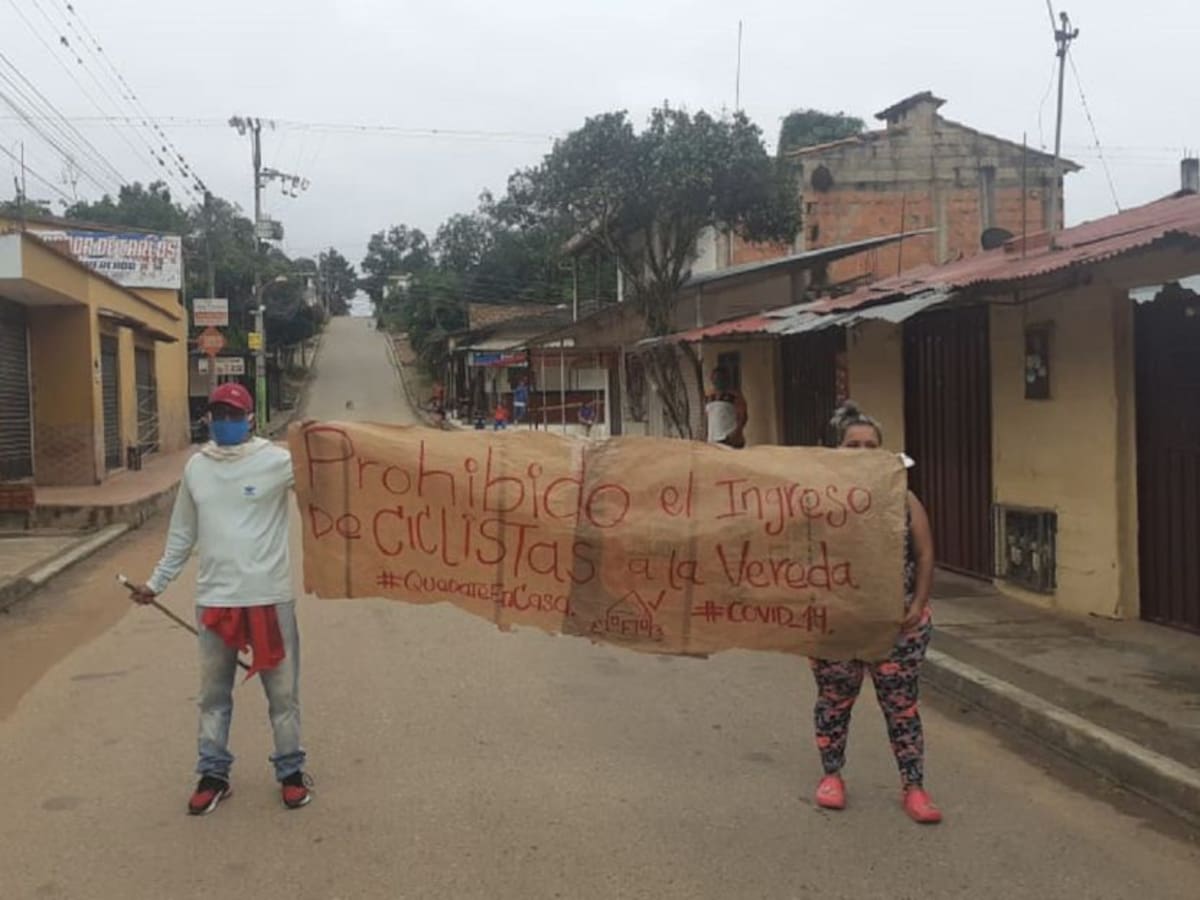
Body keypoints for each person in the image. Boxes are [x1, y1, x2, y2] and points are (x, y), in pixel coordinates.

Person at [128, 382, 311, 816]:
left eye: (233, 414)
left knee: (283, 696)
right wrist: (156, 583)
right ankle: (213, 774)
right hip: (215, 598)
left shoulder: (278, 462)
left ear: (250, 418)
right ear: (209, 417)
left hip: (269, 597)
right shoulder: (197, 469)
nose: (224, 422)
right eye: (218, 414)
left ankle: (290, 771)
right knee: (213, 696)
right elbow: (182, 535)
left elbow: (330, 477)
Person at [808, 401, 941, 825]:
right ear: (837, 450)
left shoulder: (902, 498)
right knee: (834, 703)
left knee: (902, 708)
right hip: (840, 628)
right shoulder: (820, 502)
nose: (863, 451)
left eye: (871, 445)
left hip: (897, 629)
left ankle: (914, 787)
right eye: (853, 445)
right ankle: (832, 777)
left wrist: (917, 604)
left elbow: (923, 554)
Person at [704, 367, 748, 448]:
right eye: (715, 378)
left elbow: (743, 417)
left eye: (720, 378)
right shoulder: (709, 396)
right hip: (712, 439)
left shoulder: (735, 396)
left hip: (730, 439)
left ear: (726, 379)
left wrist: (736, 433)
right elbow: (706, 417)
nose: (717, 381)